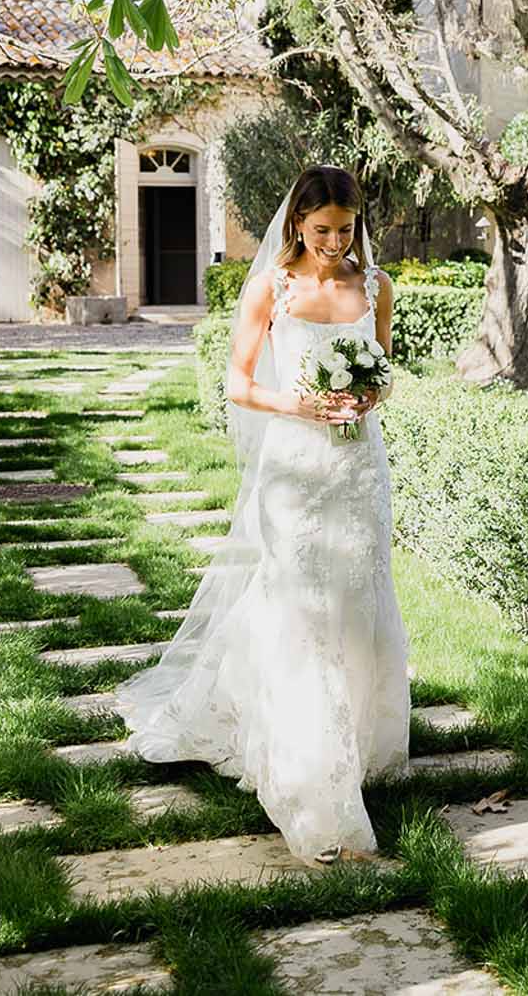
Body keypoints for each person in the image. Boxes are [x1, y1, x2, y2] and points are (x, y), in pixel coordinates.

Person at [117, 164, 409, 863]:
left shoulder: (376, 286)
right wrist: (300, 404)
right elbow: (239, 385)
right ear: (297, 225)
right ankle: (306, 762)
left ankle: (358, 740)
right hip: (295, 467)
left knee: (358, 596)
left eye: (345, 229)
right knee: (299, 603)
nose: (335, 242)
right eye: (321, 230)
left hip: (359, 463)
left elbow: (386, 368)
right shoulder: (272, 287)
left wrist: (367, 398)